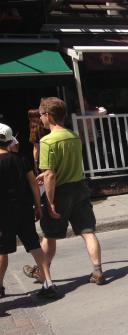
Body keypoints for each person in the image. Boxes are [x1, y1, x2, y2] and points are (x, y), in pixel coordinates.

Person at [22, 97, 105, 286]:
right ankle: (98, 270)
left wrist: (49, 202)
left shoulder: (47, 142)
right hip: (80, 187)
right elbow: (67, 164)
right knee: (88, 231)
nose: (41, 118)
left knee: (50, 235)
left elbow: (50, 174)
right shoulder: (74, 136)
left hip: (61, 191)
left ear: (49, 116)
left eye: (42, 114)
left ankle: (42, 271)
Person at [0, 123, 57, 299]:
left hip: (2, 213)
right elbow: (33, 183)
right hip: (23, 209)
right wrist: (38, 206)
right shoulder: (20, 159)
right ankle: (48, 283)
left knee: (2, 251)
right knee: (34, 246)